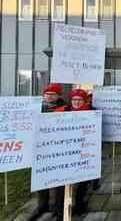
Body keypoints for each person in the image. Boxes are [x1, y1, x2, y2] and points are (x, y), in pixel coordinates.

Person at [29, 83, 67, 221]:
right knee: (41, 177)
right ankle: (42, 205)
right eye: (47, 94)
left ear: (58, 96)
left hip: (59, 149)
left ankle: (58, 208)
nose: (49, 97)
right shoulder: (35, 108)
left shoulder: (66, 109)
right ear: (43, 95)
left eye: (53, 94)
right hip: (40, 148)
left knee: (60, 179)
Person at [60, 89, 94, 215]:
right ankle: (63, 206)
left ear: (84, 100)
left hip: (84, 149)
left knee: (83, 179)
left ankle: (79, 203)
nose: (77, 102)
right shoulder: (63, 111)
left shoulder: (92, 112)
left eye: (80, 99)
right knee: (66, 179)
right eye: (74, 99)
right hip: (66, 150)